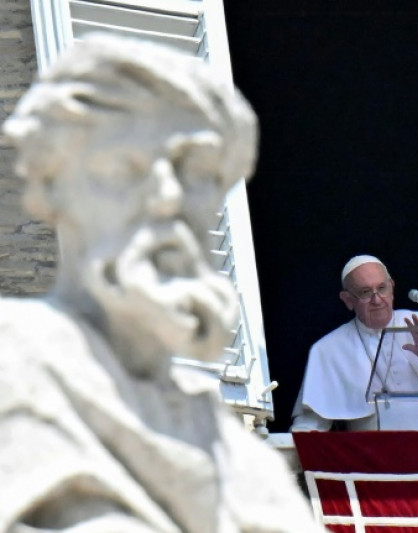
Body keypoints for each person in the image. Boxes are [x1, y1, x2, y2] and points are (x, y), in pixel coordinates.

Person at [0, 35, 319, 531]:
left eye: (193, 169)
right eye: (125, 166)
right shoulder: (12, 362)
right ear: (48, 185)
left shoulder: (236, 454)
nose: (167, 196)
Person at [292, 255, 418, 431]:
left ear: (392, 287)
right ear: (347, 300)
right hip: (376, 462)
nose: (377, 300)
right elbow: (311, 424)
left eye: (381, 288)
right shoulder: (329, 350)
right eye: (365, 292)